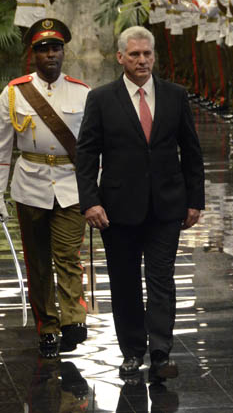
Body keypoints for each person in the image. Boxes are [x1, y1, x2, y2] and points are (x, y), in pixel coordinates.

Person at [75, 26, 205, 381]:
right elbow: (86, 154)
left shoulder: (175, 96)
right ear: (120, 58)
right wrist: (90, 201)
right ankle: (132, 351)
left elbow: (192, 152)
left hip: (167, 206)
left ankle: (161, 353)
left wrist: (196, 200)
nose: (142, 60)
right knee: (125, 282)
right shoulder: (102, 99)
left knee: (162, 279)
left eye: (147, 54)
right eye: (134, 55)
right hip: (117, 209)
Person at [0, 18, 90, 358]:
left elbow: (93, 146)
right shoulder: (14, 92)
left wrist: (98, 189)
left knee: (67, 255)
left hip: (71, 186)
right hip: (29, 185)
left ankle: (73, 319)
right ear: (34, 54)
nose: (50, 55)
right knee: (39, 262)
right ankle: (48, 326)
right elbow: (0, 146)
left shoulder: (82, 92)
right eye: (43, 49)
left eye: (56, 48)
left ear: (63, 52)